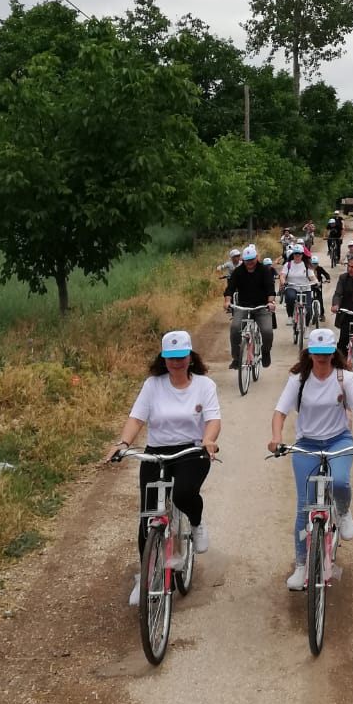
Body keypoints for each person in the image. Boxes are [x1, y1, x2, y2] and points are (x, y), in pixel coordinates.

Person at [103, 330, 222, 606]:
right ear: (163, 359)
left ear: (190, 357)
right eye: (171, 358)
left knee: (183, 494)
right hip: (157, 453)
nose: (176, 362)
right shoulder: (153, 385)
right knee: (148, 518)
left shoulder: (204, 385)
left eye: (181, 357)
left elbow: (213, 419)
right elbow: (136, 418)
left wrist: (208, 439)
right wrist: (123, 443)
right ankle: (146, 578)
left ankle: (195, 522)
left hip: (192, 450)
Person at [269, 327, 353, 590]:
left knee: (339, 482)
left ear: (333, 353)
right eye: (317, 353)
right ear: (309, 353)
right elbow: (279, 413)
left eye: (326, 353)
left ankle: (342, 510)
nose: (322, 358)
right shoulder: (298, 380)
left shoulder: (345, 378)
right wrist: (276, 437)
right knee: (303, 506)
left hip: (338, 440)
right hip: (306, 443)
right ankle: (302, 565)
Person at [223, 243, 277, 369]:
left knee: (267, 331)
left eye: (252, 260)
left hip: (262, 307)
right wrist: (227, 301)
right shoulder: (238, 271)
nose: (249, 263)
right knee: (235, 328)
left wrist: (270, 302)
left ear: (257, 257)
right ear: (243, 260)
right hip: (243, 307)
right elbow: (230, 288)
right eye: (246, 261)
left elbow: (270, 288)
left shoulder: (264, 270)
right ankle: (236, 358)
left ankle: (265, 351)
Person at [281, 244, 315, 323]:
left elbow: (312, 277)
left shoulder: (307, 265)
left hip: (305, 288)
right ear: (293, 254)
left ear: (302, 255)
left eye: (299, 254)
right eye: (295, 253)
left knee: (309, 310)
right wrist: (283, 282)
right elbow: (282, 276)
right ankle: (290, 315)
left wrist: (316, 282)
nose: (297, 255)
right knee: (290, 297)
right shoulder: (288, 265)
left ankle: (305, 328)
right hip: (292, 287)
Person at [308, 253, 331, 320]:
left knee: (320, 299)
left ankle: (322, 314)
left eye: (316, 264)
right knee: (310, 299)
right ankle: (310, 313)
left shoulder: (320, 268)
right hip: (310, 285)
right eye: (313, 264)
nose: (315, 265)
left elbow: (326, 274)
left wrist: (328, 279)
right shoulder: (308, 269)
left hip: (318, 285)